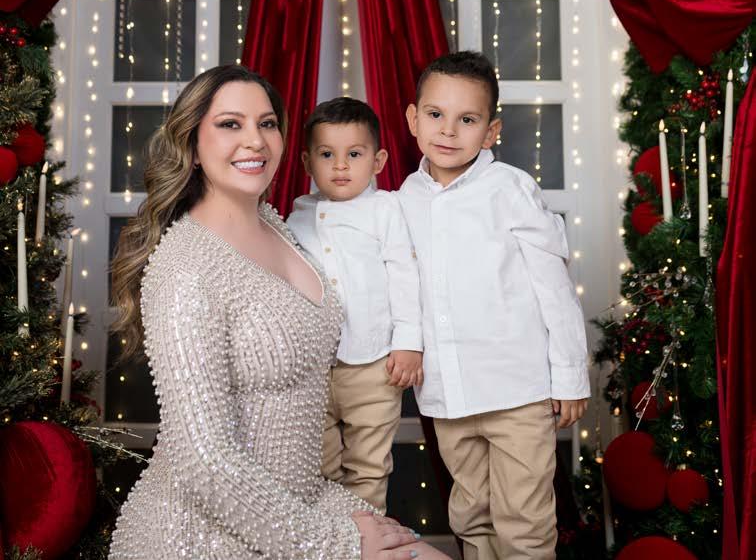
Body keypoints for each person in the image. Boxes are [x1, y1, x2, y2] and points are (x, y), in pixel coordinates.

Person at [108, 64, 445, 560]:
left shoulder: (279, 224)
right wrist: (336, 544)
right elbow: (204, 462)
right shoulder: (185, 267)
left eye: (267, 124)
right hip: (207, 530)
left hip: (304, 495)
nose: (255, 140)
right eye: (230, 124)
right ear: (192, 144)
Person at [398, 51, 590, 560]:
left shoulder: (510, 190)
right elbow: (400, 285)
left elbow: (554, 287)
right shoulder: (404, 198)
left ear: (491, 131)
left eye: (467, 119)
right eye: (435, 114)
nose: (448, 130)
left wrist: (570, 376)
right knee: (471, 514)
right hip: (448, 395)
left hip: (516, 393)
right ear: (413, 119)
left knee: (523, 521)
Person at [287, 98, 423, 513]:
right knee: (317, 465)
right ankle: (329, 538)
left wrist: (409, 342)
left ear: (378, 161)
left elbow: (405, 275)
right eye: (327, 154)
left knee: (368, 466)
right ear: (307, 162)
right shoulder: (295, 218)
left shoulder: (385, 210)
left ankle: (366, 538)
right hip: (313, 368)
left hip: (374, 364)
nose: (341, 165)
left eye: (355, 154)